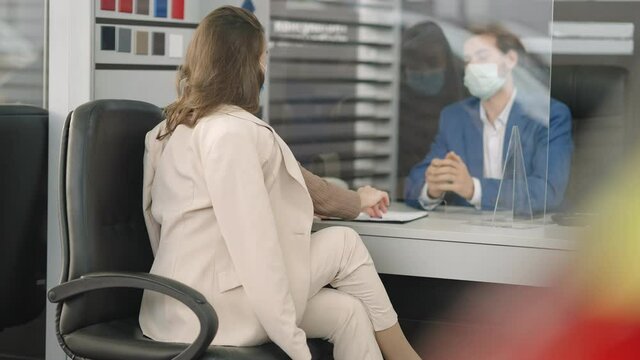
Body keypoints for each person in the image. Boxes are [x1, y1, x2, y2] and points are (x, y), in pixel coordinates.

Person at [138, 6, 421, 360]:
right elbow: (256, 250)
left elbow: (156, 228)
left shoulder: (167, 131)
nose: (265, 67)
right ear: (247, 65)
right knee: (345, 243)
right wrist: (293, 342)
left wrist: (355, 199)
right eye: (263, 57)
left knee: (349, 312)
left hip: (172, 303)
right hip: (215, 312)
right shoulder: (233, 133)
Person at [404, 25, 573, 212]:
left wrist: (474, 189)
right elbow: (415, 184)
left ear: (510, 60)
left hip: (529, 234)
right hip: (465, 234)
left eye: (482, 57)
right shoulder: (455, 117)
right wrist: (432, 189)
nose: (472, 66)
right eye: (467, 60)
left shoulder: (546, 115)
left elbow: (547, 191)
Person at [397, 21, 466, 186]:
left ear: (447, 64)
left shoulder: (466, 113)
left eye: (432, 62)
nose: (424, 71)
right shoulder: (389, 113)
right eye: (414, 63)